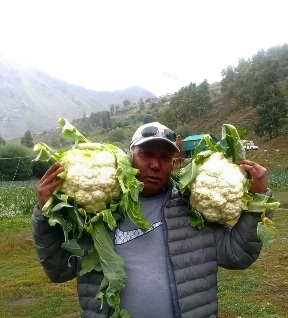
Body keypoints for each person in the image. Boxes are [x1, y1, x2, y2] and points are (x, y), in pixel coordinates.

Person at [32, 122, 270, 318]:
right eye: (146, 154)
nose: (155, 165)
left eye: (165, 157)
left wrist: (258, 204)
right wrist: (45, 212)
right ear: (130, 156)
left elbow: (237, 255)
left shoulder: (192, 209)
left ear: (174, 164)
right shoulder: (97, 213)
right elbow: (59, 270)